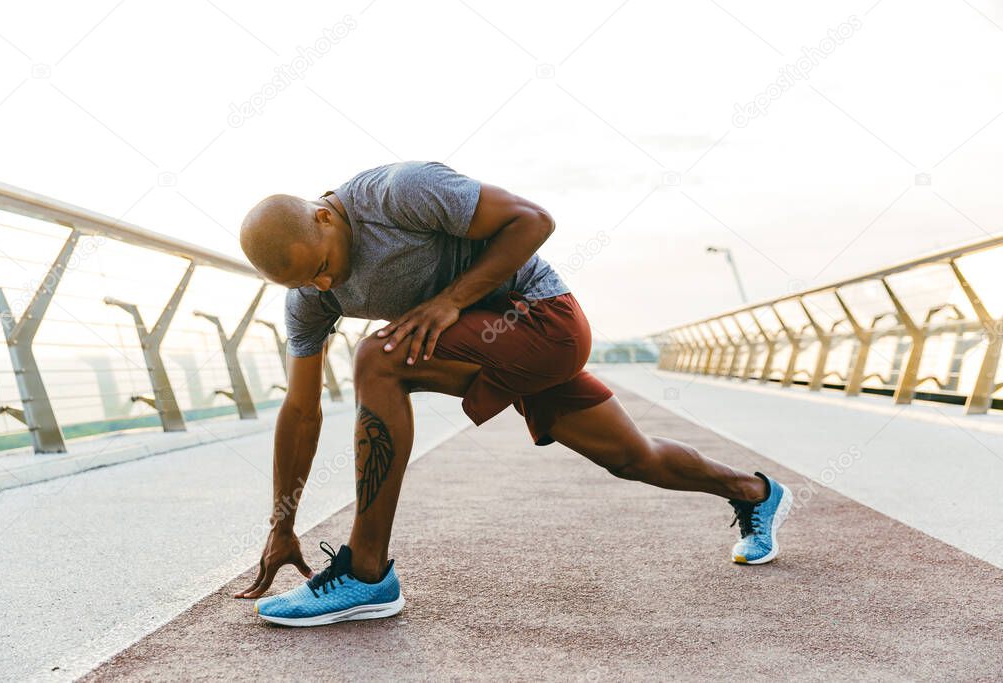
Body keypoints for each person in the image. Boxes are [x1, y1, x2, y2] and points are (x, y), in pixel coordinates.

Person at [234, 161, 793, 627]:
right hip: (488, 349)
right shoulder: (311, 296)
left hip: (542, 322)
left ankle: (366, 572)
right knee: (631, 456)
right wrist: (281, 527)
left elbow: (533, 220)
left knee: (378, 359)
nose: (326, 288)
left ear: (325, 217)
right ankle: (753, 492)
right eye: (308, 284)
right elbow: (301, 410)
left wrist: (452, 300)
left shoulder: (397, 193)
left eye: (324, 267)